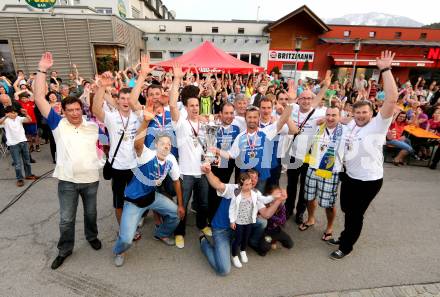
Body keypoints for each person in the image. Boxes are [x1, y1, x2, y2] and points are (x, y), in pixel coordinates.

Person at [34, 52, 103, 270]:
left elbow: (102, 112)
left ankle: (92, 237)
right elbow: (38, 98)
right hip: (67, 182)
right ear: (63, 112)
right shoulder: (58, 124)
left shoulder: (92, 126)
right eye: (70, 110)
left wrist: (100, 88)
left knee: (91, 214)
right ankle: (64, 250)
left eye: (77, 109)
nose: (75, 113)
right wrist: (42, 70)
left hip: (91, 180)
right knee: (66, 219)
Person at [329, 50, 398, 260]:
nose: (360, 116)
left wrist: (385, 70)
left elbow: (392, 98)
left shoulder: (378, 124)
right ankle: (344, 236)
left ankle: (346, 246)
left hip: (369, 180)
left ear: (371, 113)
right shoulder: (352, 122)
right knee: (345, 208)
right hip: (349, 175)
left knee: (354, 214)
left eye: (364, 113)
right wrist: (327, 119)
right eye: (357, 112)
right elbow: (339, 119)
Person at [112, 130, 185, 267]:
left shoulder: (171, 159)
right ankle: (119, 251)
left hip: (152, 198)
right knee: (127, 239)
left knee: (176, 214)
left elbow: (176, 181)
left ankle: (160, 233)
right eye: (162, 143)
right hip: (134, 202)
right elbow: (138, 144)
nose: (166, 146)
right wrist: (145, 121)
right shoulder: (147, 154)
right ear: (156, 145)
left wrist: (181, 205)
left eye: (169, 144)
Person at [200, 163, 287, 276]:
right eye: (250, 176)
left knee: (262, 222)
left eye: (256, 177)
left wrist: (278, 200)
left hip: (239, 228)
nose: (253, 180)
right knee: (224, 270)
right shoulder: (234, 189)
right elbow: (218, 184)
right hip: (222, 230)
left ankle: (249, 243)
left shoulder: (256, 193)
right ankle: (203, 242)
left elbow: (266, 214)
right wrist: (208, 172)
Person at [169, 64, 211, 249]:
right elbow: (171, 104)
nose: (195, 108)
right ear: (185, 107)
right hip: (185, 173)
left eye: (197, 105)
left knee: (203, 203)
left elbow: (209, 147)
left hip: (202, 173)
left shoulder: (205, 123)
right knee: (182, 204)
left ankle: (202, 225)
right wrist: (177, 80)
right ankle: (179, 232)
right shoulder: (181, 124)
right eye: (191, 105)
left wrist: (209, 162)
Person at [92, 72, 142, 226]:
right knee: (119, 202)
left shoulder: (138, 116)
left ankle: (135, 222)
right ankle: (123, 229)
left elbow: (140, 104)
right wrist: (102, 87)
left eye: (129, 99)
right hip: (118, 167)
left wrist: (141, 75)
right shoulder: (111, 117)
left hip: (135, 166)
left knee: (135, 198)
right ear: (117, 101)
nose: (126, 101)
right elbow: (95, 109)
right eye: (123, 99)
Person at [284, 72, 331, 224]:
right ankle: (288, 210)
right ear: (298, 99)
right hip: (293, 154)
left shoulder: (319, 113)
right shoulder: (294, 109)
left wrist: (325, 88)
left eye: (309, 98)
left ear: (313, 100)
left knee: (305, 186)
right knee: (291, 185)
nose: (306, 100)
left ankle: (300, 212)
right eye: (303, 98)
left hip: (309, 157)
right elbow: (284, 110)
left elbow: (333, 118)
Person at [300, 106, 346, 242]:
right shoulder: (318, 126)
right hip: (313, 168)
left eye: (334, 115)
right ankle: (310, 219)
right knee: (309, 197)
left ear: (340, 116)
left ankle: (330, 227)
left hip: (330, 172)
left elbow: (355, 119)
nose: (330, 118)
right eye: (328, 115)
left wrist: (345, 120)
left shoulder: (344, 130)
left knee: (328, 204)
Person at [229, 172, 264, 268]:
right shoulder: (236, 194)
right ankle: (234, 255)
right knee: (238, 238)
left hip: (249, 220)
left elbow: (262, 201)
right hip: (239, 221)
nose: (249, 186)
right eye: (246, 184)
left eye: (250, 184)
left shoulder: (254, 193)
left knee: (246, 236)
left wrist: (273, 197)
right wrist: (232, 221)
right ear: (240, 185)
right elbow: (232, 208)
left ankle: (243, 250)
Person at [0, 106, 38, 187]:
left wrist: (26, 114)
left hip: (23, 141)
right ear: (7, 113)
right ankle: (19, 179)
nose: (14, 114)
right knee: (17, 163)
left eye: (15, 112)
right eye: (12, 112)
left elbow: (29, 120)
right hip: (13, 144)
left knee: (27, 160)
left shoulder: (19, 118)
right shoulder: (5, 121)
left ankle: (29, 174)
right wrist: (6, 116)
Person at [257, 186, 293, 256]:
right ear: (270, 196)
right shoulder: (264, 205)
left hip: (276, 230)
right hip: (266, 231)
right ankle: (270, 241)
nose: (278, 197)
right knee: (263, 249)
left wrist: (269, 217)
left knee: (290, 244)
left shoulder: (281, 206)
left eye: (279, 194)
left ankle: (273, 241)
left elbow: (282, 221)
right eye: (276, 195)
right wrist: (272, 218)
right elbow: (260, 217)